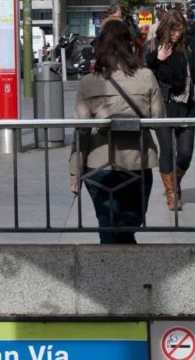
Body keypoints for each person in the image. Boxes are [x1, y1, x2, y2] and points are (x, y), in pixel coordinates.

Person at [69, 20, 164, 243]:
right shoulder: (146, 77)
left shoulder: (88, 82)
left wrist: (75, 172)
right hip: (138, 162)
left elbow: (81, 132)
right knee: (129, 224)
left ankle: (113, 273)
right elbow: (159, 120)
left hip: (98, 164)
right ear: (130, 45)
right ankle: (123, 273)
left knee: (107, 225)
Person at [143, 11, 195, 210]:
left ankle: (175, 180)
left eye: (180, 30)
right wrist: (157, 57)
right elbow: (141, 73)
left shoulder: (189, 45)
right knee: (168, 150)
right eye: (173, 30)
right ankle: (172, 194)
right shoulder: (153, 46)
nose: (177, 34)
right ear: (165, 28)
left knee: (185, 153)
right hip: (162, 106)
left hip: (187, 106)